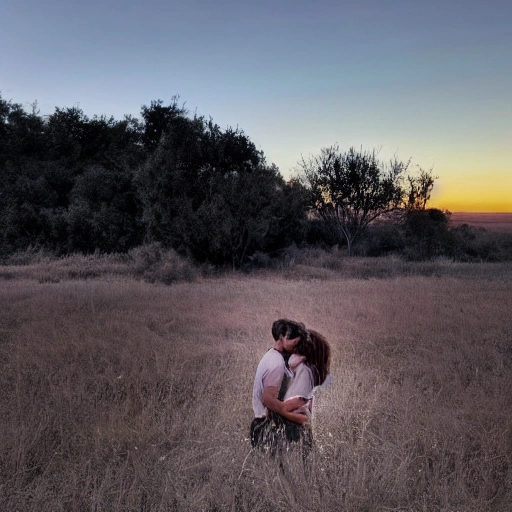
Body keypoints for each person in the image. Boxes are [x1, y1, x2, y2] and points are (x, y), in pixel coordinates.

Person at [250, 319, 309, 451]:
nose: (296, 346)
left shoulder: (273, 356)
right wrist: (292, 415)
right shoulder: (276, 363)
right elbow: (268, 400)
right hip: (268, 428)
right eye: (294, 342)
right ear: (282, 337)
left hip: (266, 425)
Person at [279, 329, 332, 451]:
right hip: (297, 423)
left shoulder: (303, 370)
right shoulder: (302, 370)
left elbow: (299, 400)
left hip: (294, 424)